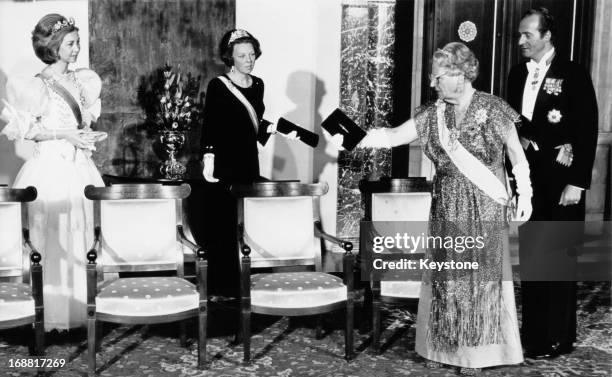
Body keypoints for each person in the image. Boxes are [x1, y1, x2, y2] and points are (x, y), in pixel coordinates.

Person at [337, 42, 532, 374]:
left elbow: (517, 153)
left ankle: (481, 353)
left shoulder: (494, 108)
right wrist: (350, 136)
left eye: (437, 76)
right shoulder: (433, 114)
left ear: (459, 74)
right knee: (449, 279)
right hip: (447, 204)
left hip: (484, 206)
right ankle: (451, 348)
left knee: (480, 281)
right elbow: (392, 137)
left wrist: (525, 193)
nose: (432, 83)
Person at [0, 14, 105, 331]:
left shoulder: (82, 80)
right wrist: (64, 135)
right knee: (52, 234)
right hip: (49, 167)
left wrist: (85, 136)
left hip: (79, 166)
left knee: (83, 231)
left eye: (77, 42)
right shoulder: (34, 84)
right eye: (71, 44)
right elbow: (28, 131)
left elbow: (81, 123)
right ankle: (51, 314)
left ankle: (81, 311)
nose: (76, 49)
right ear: (54, 46)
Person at [506, 7, 598, 358]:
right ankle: (534, 335)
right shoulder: (517, 74)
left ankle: (559, 336)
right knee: (532, 257)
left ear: (547, 35)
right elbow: (513, 125)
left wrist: (577, 182)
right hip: (529, 178)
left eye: (527, 34)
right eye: (519, 34)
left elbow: (587, 128)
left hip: (562, 180)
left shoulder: (573, 73)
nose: (521, 41)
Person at [199, 29, 296, 296]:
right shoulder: (218, 85)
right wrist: (208, 158)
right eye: (242, 55)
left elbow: (251, 126)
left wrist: (272, 129)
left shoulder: (258, 84)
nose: (249, 60)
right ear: (230, 57)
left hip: (247, 162)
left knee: (244, 221)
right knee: (222, 222)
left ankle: (242, 281)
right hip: (223, 164)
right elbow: (211, 125)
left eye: (252, 54)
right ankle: (221, 285)